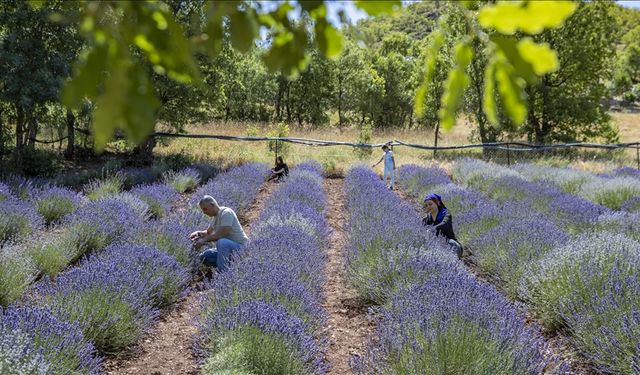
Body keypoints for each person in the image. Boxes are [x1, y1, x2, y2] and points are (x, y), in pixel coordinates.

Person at [190, 195, 249, 272]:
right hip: (228, 251)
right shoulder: (215, 217)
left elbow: (222, 233)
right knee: (205, 256)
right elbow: (208, 232)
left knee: (222, 242)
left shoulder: (226, 213)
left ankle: (223, 273)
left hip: (241, 249)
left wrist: (204, 240)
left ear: (212, 205)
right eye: (203, 210)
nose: (204, 212)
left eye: (205, 209)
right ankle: (233, 266)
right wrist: (198, 233)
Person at [421, 193, 463, 259]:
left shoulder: (446, 214)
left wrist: (432, 229)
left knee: (452, 243)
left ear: (437, 203)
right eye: (426, 205)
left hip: (450, 244)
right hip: (435, 246)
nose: (428, 207)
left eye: (430, 204)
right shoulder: (427, 219)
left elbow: (444, 224)